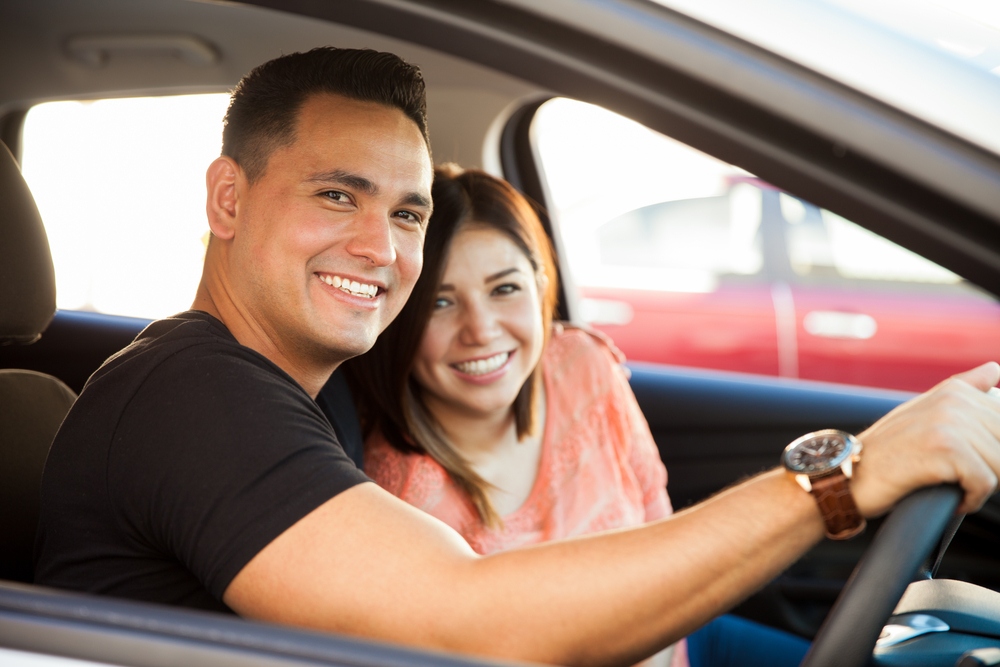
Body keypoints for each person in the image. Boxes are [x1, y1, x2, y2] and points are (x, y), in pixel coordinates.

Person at [34, 46, 1000, 667]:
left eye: (405, 211)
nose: (383, 247)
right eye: (338, 195)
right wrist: (846, 475)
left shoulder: (295, 396)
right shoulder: (188, 393)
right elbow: (471, 624)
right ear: (228, 200)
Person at [344, 164, 810, 667]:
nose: (480, 330)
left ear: (542, 285)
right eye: (440, 302)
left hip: (685, 639)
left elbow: (657, 520)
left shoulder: (582, 365)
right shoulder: (396, 495)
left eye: (505, 289)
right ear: (399, 317)